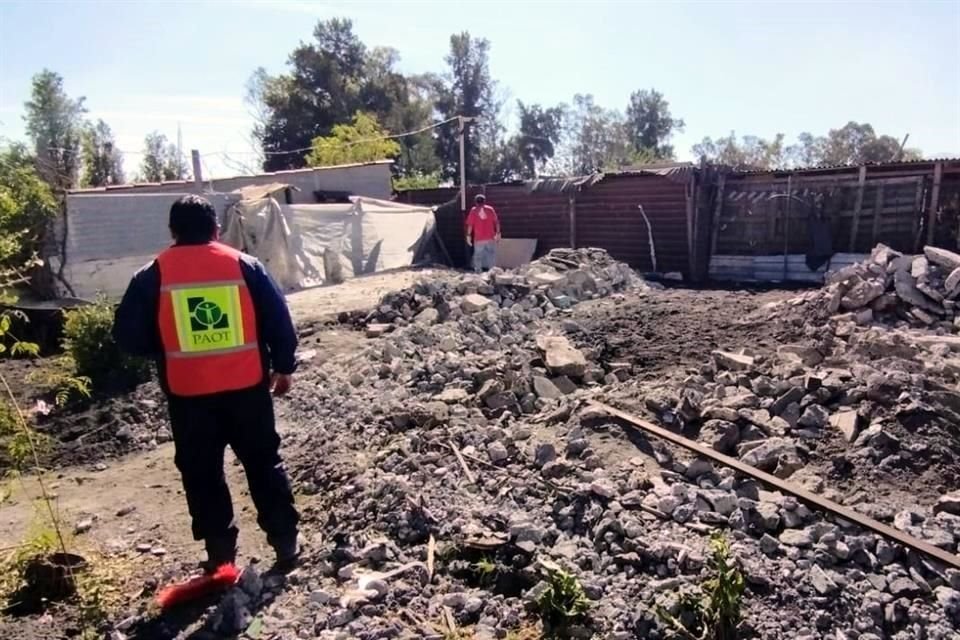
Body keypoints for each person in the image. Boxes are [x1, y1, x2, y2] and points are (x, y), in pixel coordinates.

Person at [113, 195, 301, 571]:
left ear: (172, 231)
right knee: (264, 464)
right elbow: (279, 320)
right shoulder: (245, 266)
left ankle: (220, 556)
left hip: (189, 397)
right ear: (216, 228)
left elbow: (127, 337)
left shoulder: (152, 275)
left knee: (202, 475)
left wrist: (167, 346)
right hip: (248, 389)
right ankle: (285, 545)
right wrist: (283, 367)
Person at [465, 194, 501, 272]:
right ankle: (492, 272)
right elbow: (496, 222)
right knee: (491, 255)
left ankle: (478, 272)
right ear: (484, 201)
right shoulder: (490, 209)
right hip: (490, 237)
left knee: (478, 256)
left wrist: (468, 235)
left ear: (475, 202)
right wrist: (498, 233)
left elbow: (470, 225)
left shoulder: (474, 211)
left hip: (479, 238)